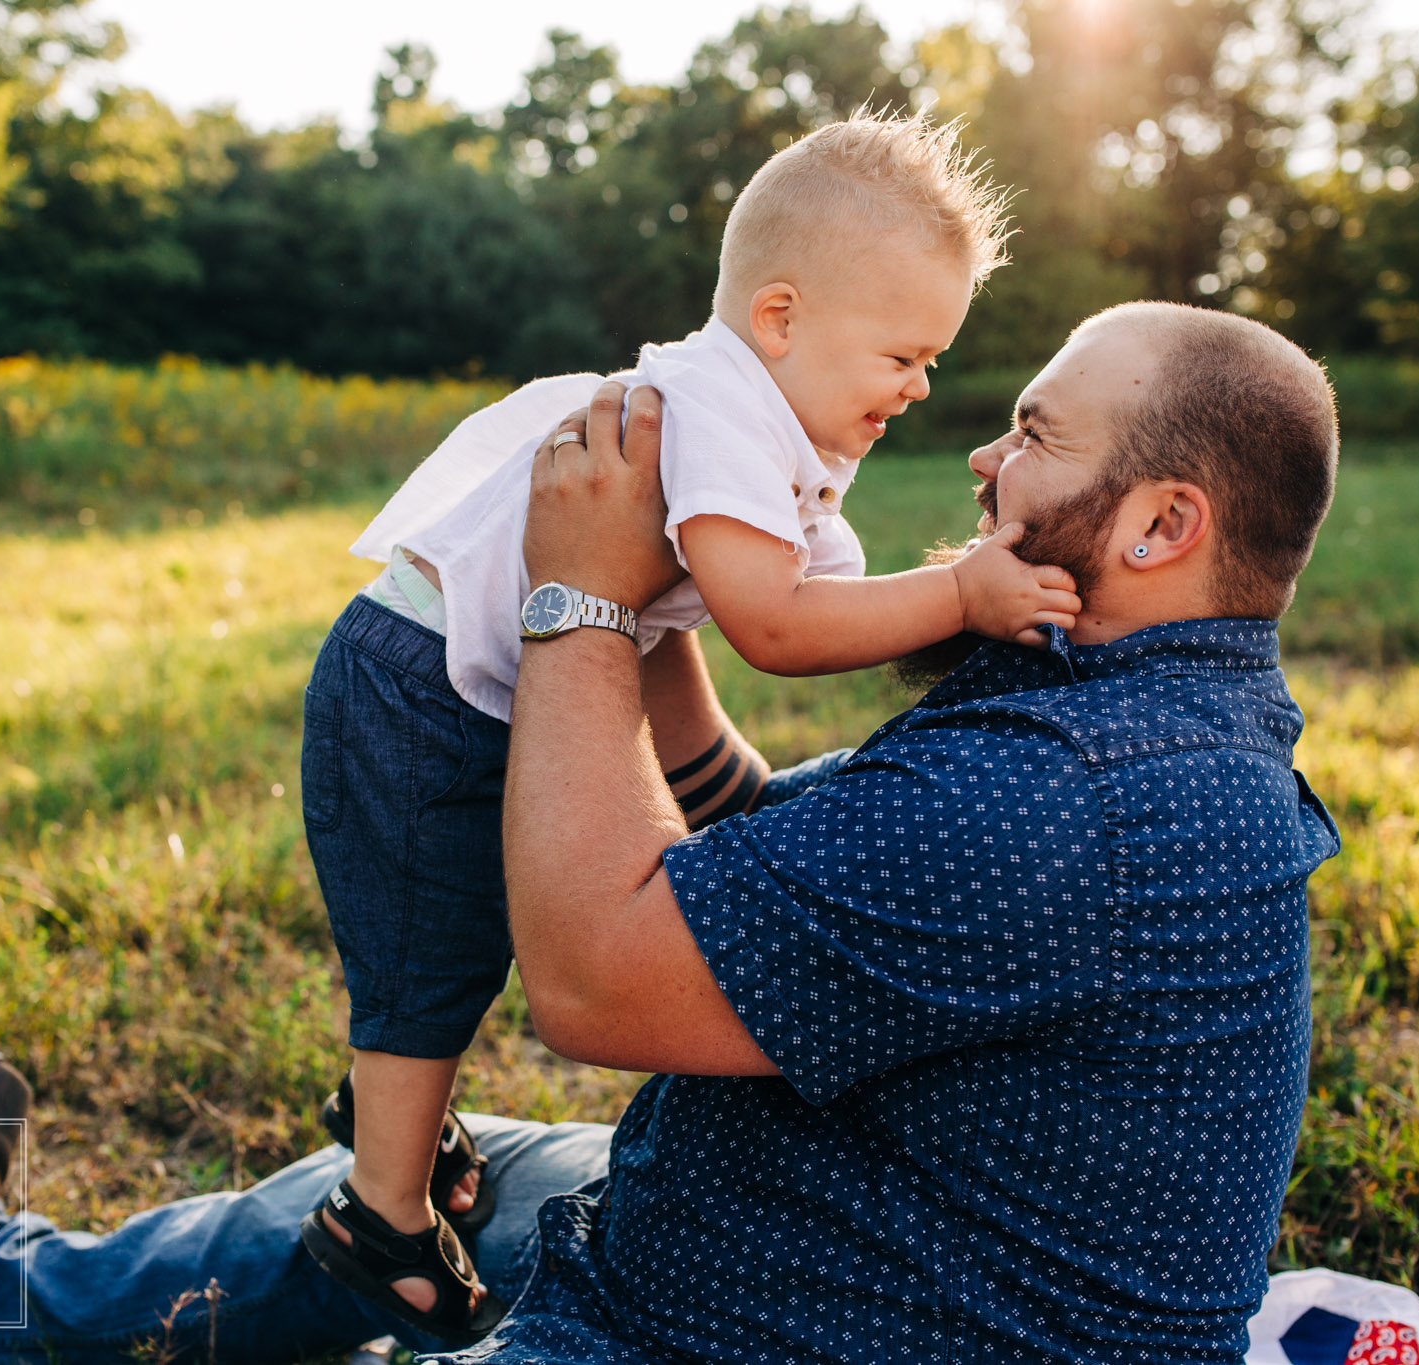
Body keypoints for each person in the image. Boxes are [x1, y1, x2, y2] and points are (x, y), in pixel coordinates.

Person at [0, 299, 1342, 1365]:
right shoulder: (1143, 726)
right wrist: (675, 607)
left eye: (1033, 434)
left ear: (1159, 525)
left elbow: (597, 977)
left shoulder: (1060, 800)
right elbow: (763, 842)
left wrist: (582, 601)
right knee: (405, 1183)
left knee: (435, 1190)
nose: (984, 464)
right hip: (785, 1235)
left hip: (757, 1330)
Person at [300, 109, 1078, 1342]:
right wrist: (960, 590)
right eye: (902, 355)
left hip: (446, 674)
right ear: (780, 318)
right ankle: (379, 1211)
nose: (922, 388)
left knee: (456, 934)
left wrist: (730, 786)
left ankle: (398, 1122)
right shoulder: (715, 412)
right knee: (429, 948)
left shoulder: (767, 418)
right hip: (415, 685)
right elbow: (771, 622)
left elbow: (694, 625)